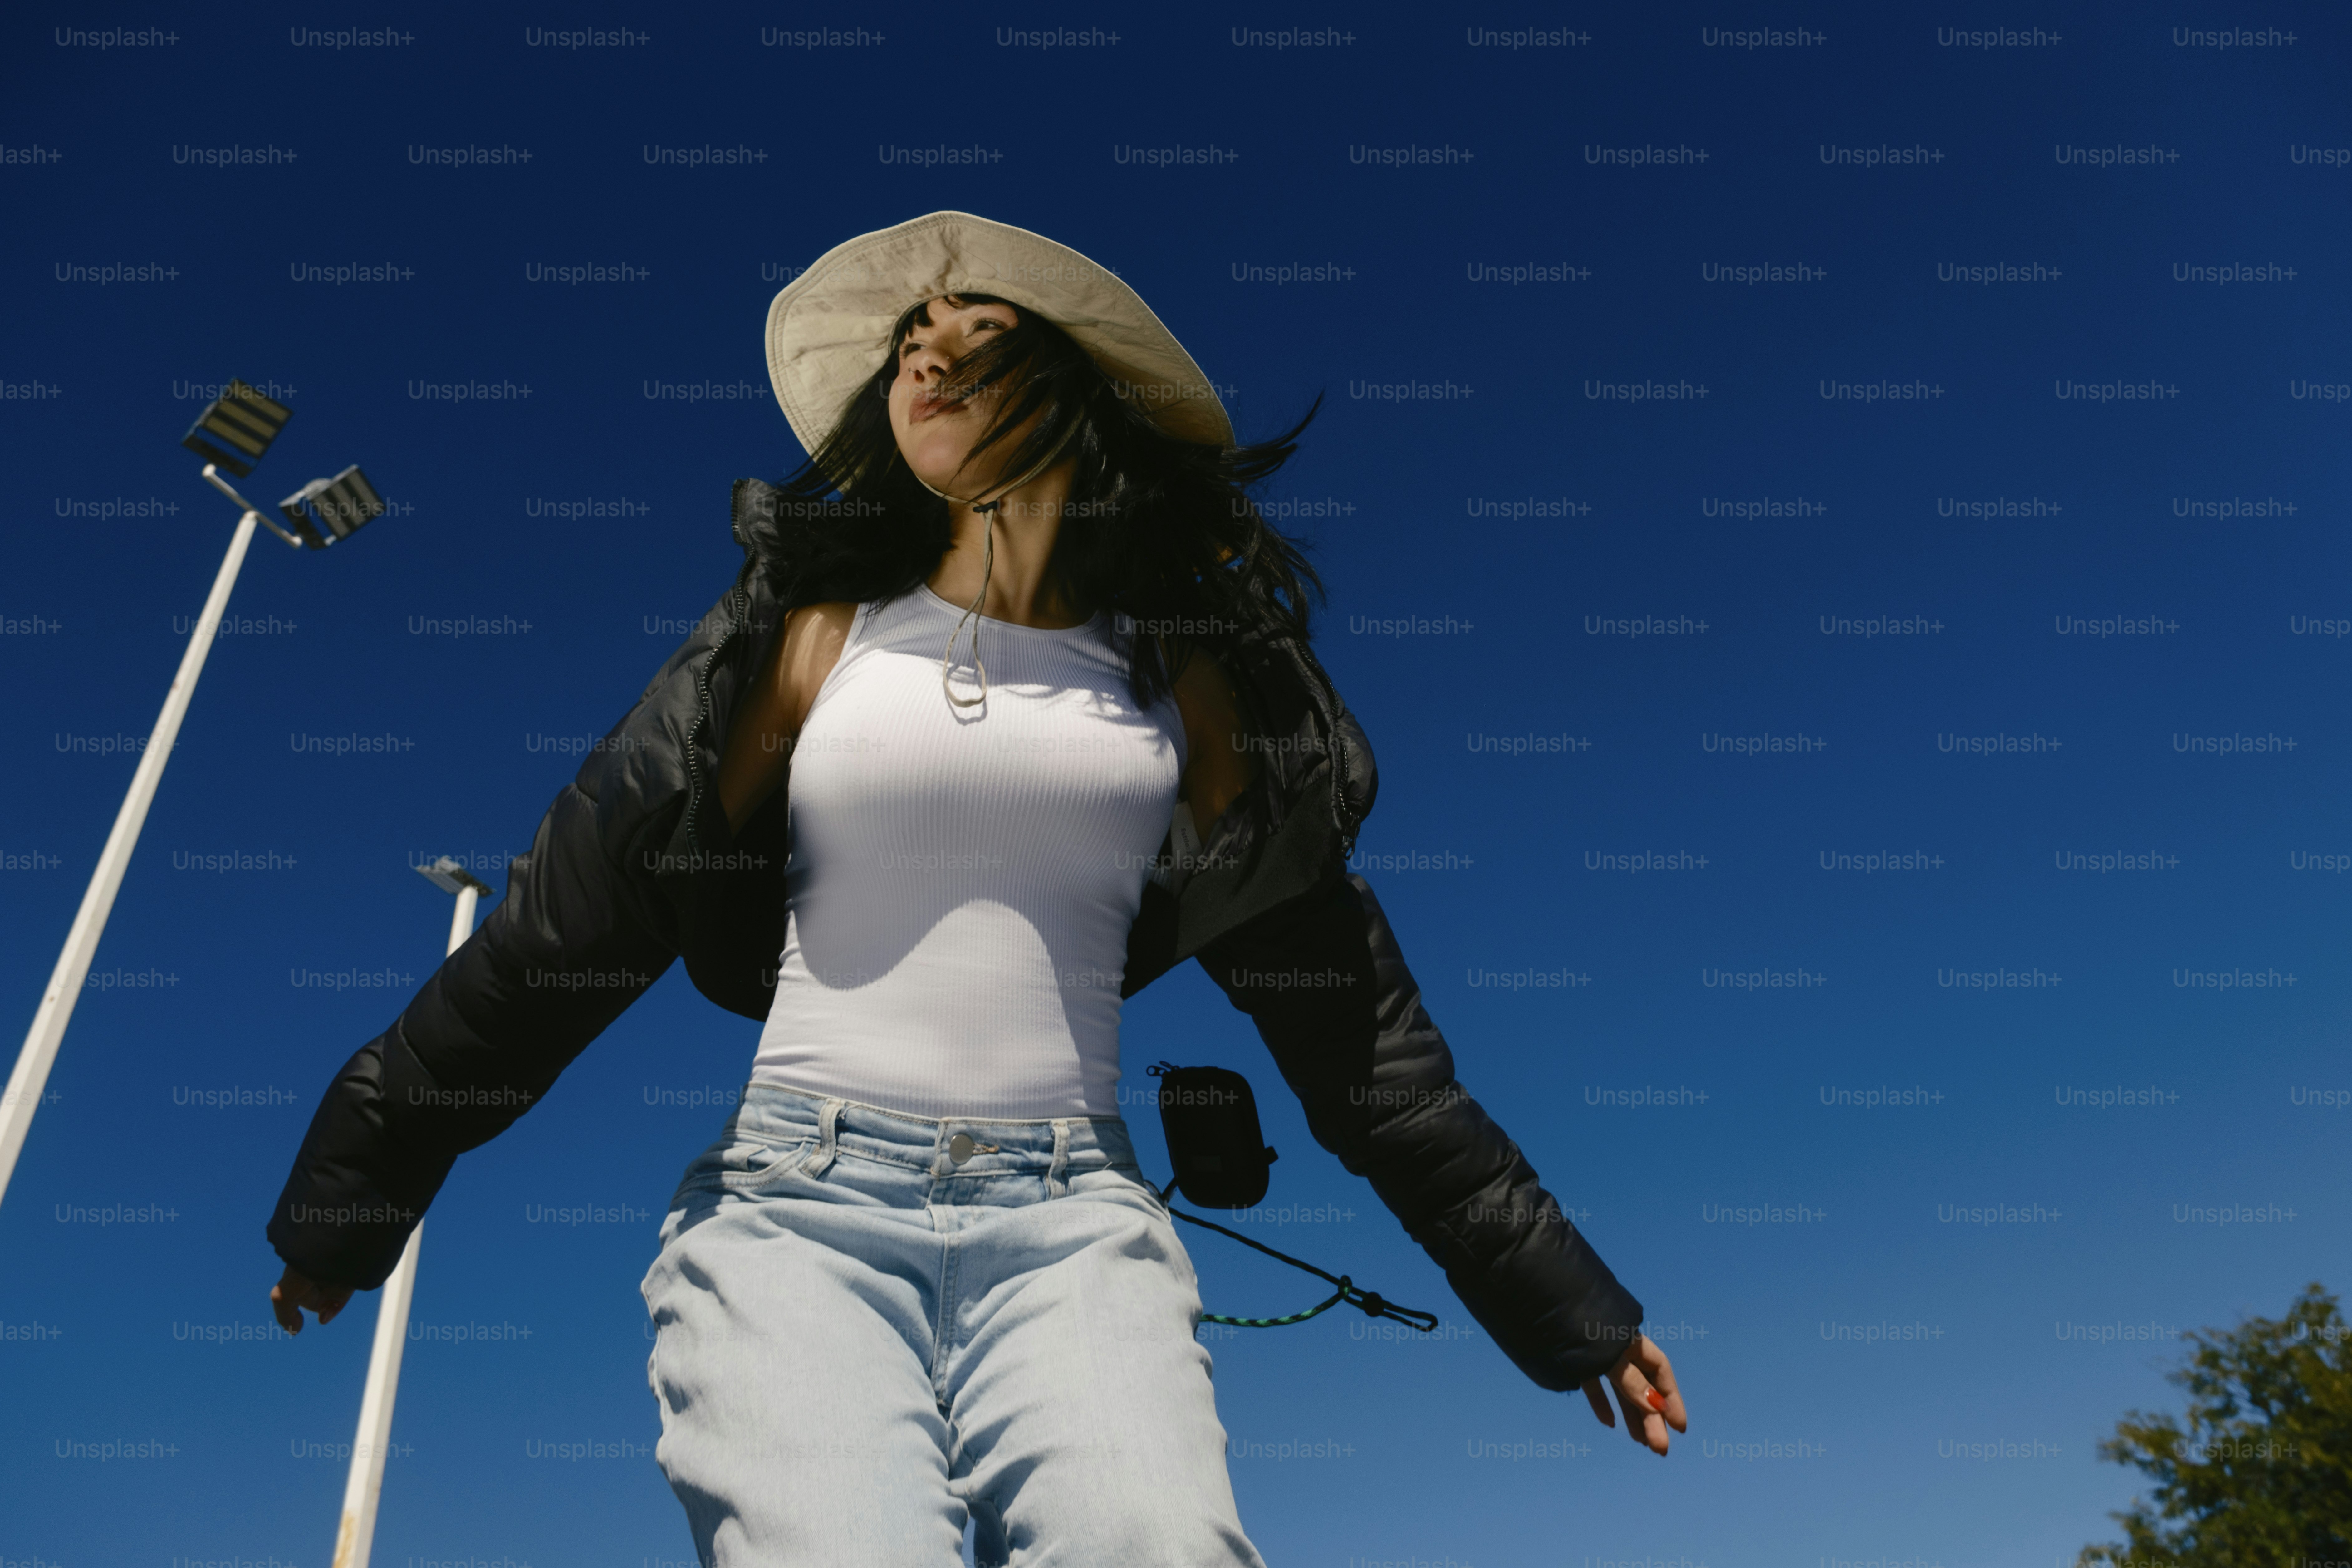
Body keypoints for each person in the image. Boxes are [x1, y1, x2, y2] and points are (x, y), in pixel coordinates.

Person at [265, 210, 1687, 1566]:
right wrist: (360, 1183)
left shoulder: (1189, 680)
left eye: (978, 336)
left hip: (1076, 1226)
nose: (927, 360)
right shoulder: (810, 633)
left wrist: (1560, 1300)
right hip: (799, 1209)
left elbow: (1360, 1038)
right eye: (909, 342)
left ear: (1081, 391)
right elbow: (568, 923)